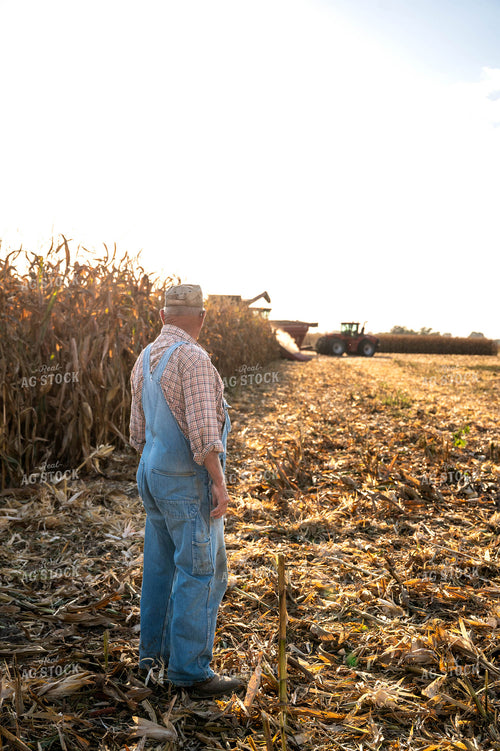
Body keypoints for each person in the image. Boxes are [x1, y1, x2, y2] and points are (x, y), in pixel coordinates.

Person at [129, 283, 244, 698]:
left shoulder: (145, 358)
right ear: (202, 318)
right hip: (184, 480)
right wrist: (218, 481)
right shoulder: (193, 359)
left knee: (160, 567)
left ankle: (152, 658)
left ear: (162, 316)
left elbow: (137, 432)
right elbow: (204, 433)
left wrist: (156, 471)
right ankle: (190, 672)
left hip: (152, 474)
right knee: (202, 571)